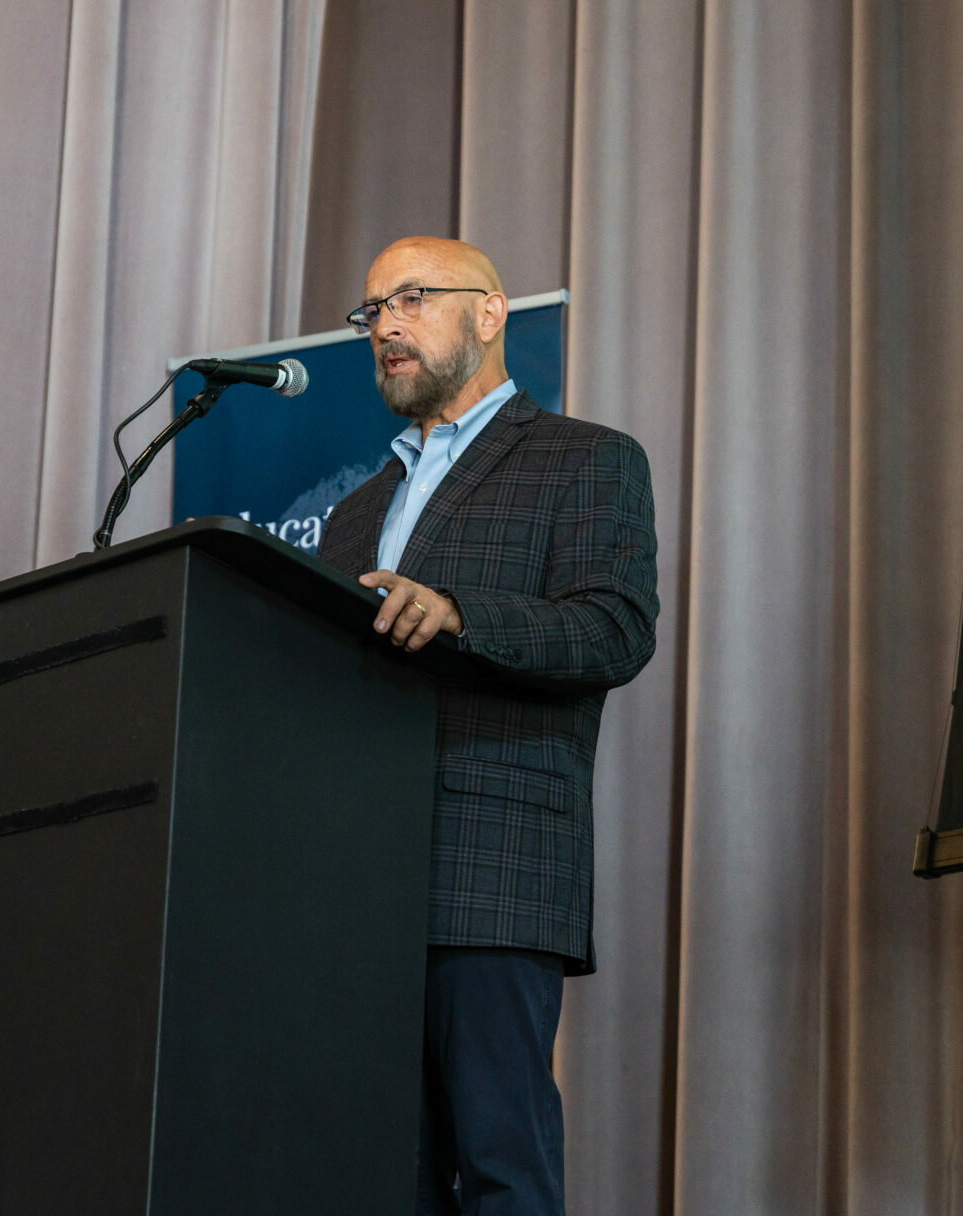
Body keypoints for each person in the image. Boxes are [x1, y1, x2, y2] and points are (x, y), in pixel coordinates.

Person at [316, 237, 659, 1216]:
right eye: (371, 309)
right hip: (351, 886)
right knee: (376, 1175)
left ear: (490, 312)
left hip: (492, 868)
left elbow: (614, 630)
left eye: (412, 299)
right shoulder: (354, 513)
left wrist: (461, 614)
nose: (383, 325)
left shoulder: (584, 461)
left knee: (499, 1168)